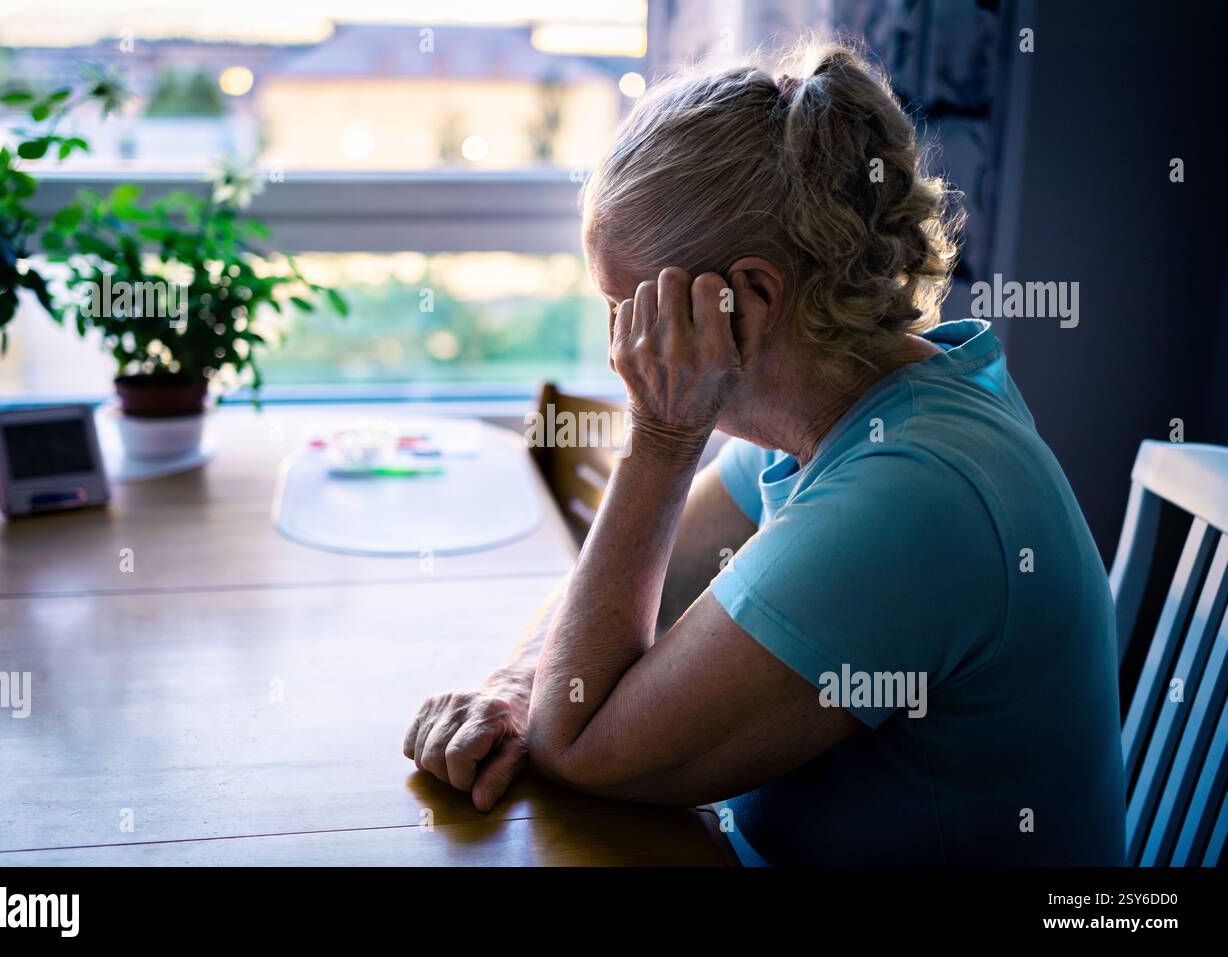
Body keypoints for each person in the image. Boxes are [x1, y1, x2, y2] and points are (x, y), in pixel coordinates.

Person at [403, 42, 1125, 865]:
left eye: (628, 309)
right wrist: (513, 684)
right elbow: (613, 598)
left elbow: (578, 741)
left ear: (749, 298)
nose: (619, 349)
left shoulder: (912, 495)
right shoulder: (851, 409)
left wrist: (663, 436)